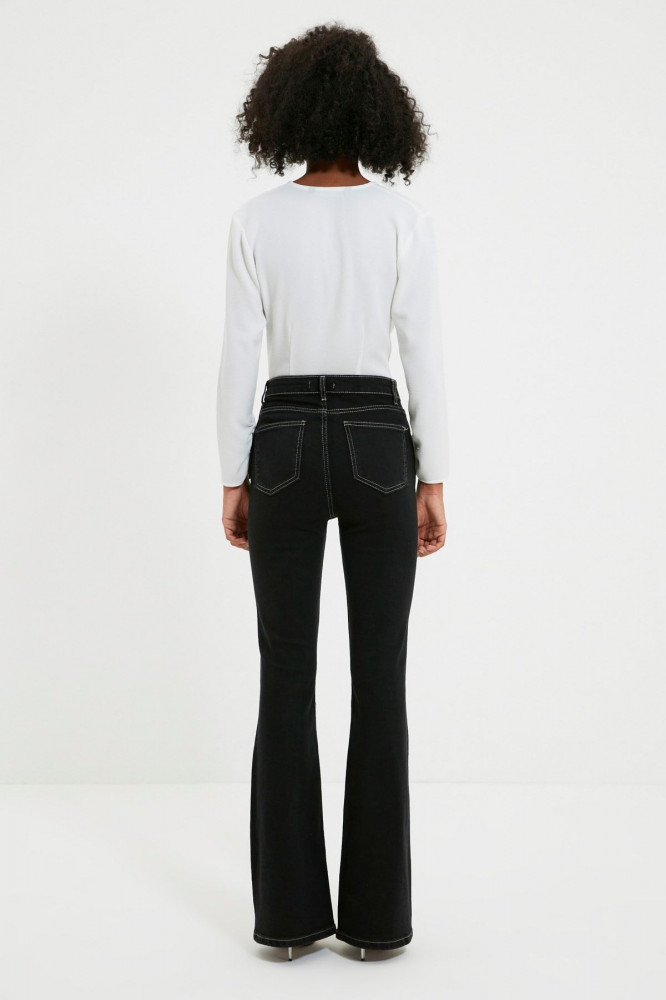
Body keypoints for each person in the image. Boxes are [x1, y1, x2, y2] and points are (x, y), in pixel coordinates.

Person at [216, 22, 449, 960]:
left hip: (278, 437)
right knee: (379, 676)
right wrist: (433, 475)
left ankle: (287, 920)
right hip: (377, 439)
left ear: (284, 112)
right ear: (376, 113)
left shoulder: (256, 220)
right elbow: (423, 351)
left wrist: (234, 476)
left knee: (285, 672)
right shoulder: (401, 219)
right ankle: (378, 925)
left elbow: (239, 357)